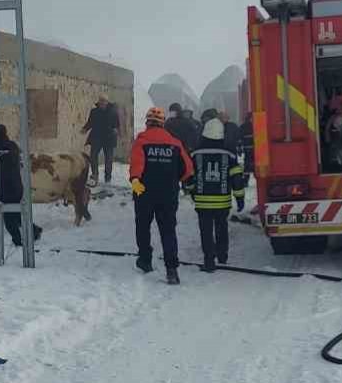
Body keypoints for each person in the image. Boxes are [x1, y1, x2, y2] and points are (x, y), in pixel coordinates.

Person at [130, 106, 193, 284]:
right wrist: (174, 180)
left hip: (144, 192)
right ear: (162, 123)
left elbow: (136, 166)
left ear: (148, 123)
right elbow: (187, 169)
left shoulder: (141, 141)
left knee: (143, 227)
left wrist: (136, 182)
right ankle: (171, 270)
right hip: (168, 194)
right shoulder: (174, 143)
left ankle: (145, 260)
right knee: (168, 230)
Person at [189, 118, 247, 272]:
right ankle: (222, 256)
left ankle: (209, 260)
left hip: (202, 202)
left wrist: (192, 192)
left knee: (206, 230)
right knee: (221, 228)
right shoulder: (229, 155)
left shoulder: (195, 155)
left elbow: (189, 177)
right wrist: (240, 198)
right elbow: (236, 180)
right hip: (222, 202)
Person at [81, 94, 120, 184]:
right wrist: (85, 129)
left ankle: (108, 178)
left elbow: (117, 124)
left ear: (107, 102)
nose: (102, 103)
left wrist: (116, 130)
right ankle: (95, 175)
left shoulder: (113, 112)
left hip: (109, 138)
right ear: (99, 102)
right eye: (101, 101)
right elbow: (90, 122)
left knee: (109, 159)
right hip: (96, 137)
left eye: (104, 101)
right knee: (93, 156)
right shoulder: (94, 111)